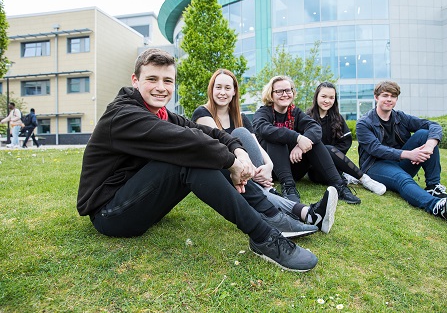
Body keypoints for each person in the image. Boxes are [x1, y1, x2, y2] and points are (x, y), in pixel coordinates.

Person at [77, 48, 318, 272]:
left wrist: (238, 150)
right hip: (110, 214)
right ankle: (264, 237)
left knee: (201, 151)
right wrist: (232, 163)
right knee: (189, 159)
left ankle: (274, 217)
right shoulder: (124, 115)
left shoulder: (161, 113)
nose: (161, 87)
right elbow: (190, 141)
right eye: (152, 79)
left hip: (138, 201)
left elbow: (206, 132)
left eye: (168, 81)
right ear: (135, 81)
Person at [192, 69, 337, 233]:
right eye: (218, 87)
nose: (222, 92)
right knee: (250, 172)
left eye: (227, 88)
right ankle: (307, 213)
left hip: (248, 172)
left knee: (242, 134)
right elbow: (222, 146)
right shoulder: (202, 113)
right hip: (223, 169)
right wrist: (251, 171)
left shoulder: (240, 117)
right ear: (211, 90)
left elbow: (255, 145)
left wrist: (268, 166)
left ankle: (303, 212)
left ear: (234, 92)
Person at [356, 80, 447, 224]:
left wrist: (429, 146)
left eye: (393, 96)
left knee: (424, 134)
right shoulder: (364, 123)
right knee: (402, 178)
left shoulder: (400, 117)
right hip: (375, 166)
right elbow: (376, 149)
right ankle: (437, 207)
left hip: (400, 162)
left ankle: (433, 187)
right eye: (385, 95)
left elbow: (434, 125)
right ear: (376, 97)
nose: (389, 99)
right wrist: (409, 154)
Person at [253, 75, 361, 205]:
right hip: (272, 169)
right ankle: (288, 187)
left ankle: (339, 186)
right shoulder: (263, 113)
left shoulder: (295, 112)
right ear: (271, 94)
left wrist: (301, 144)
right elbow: (264, 129)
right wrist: (297, 137)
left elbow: (315, 128)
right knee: (276, 137)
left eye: (288, 90)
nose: (284, 94)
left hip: (295, 166)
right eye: (279, 91)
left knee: (313, 141)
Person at [306, 82, 386, 195]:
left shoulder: (337, 118)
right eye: (323, 96)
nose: (327, 100)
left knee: (328, 149)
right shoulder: (307, 117)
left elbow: (345, 142)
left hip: (334, 161)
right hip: (314, 166)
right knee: (321, 171)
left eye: (331, 97)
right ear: (316, 97)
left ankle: (364, 179)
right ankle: (347, 177)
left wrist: (330, 156)